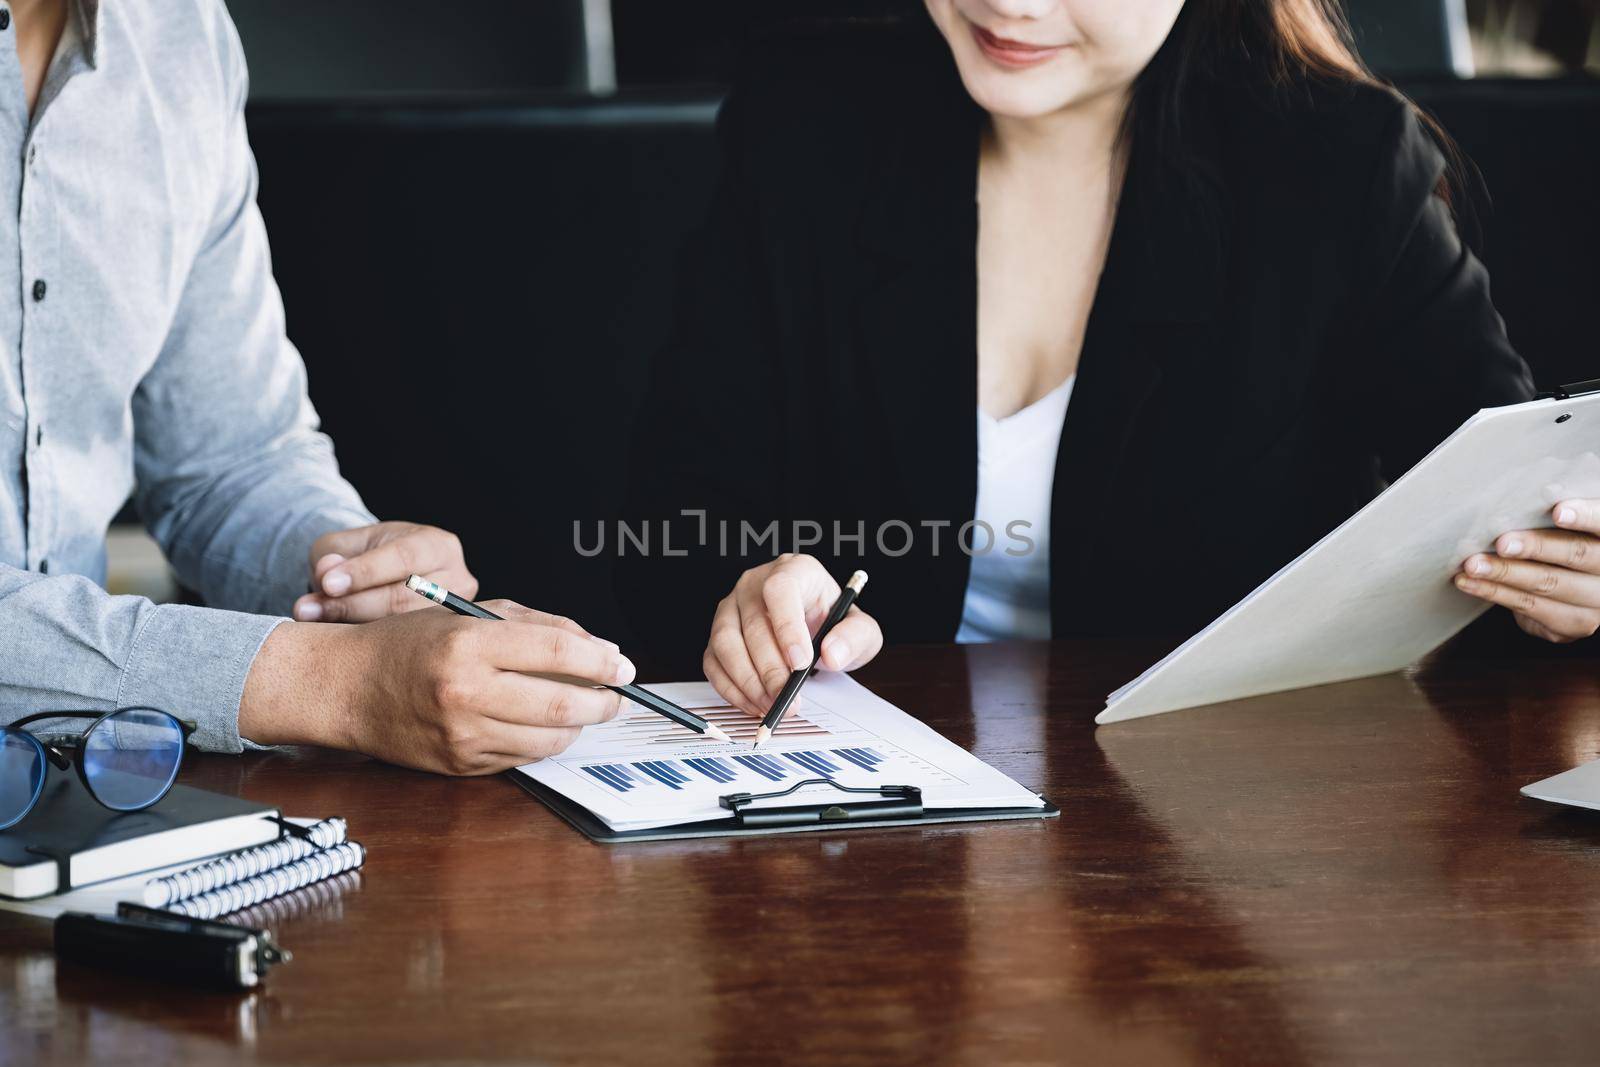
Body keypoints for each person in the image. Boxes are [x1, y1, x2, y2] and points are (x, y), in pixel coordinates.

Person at [621, 0, 1600, 720]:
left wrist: (1565, 587)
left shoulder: (1335, 164)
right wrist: (754, 590)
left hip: (1211, 809)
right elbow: (681, 501)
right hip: (863, 789)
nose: (1011, 5)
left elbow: (1502, 500)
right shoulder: (804, 119)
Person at [0, 0, 630, 775]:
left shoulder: (179, 34)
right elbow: (333, 682)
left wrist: (350, 576)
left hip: (77, 799)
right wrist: (336, 680)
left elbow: (229, 461)